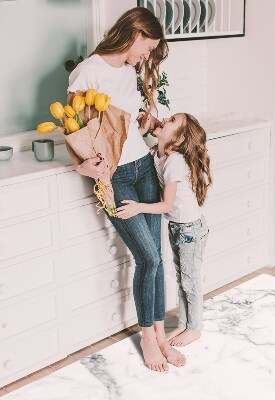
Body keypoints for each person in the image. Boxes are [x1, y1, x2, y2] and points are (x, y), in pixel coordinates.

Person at [65, 7, 186, 372]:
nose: (146, 56)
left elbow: (123, 125)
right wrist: (81, 166)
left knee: (158, 257)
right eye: (146, 48)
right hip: (115, 177)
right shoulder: (88, 72)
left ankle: (162, 335)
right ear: (133, 34)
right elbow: (73, 128)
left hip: (145, 167)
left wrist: (145, 123)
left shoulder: (129, 71)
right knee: (147, 258)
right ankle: (148, 338)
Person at [117, 113, 212, 346]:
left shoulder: (175, 162)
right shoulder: (157, 154)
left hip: (190, 230)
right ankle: (183, 324)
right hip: (178, 228)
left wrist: (138, 208)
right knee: (181, 278)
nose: (164, 120)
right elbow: (133, 149)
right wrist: (142, 129)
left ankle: (195, 328)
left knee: (190, 280)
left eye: (171, 122)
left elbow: (166, 205)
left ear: (178, 139)